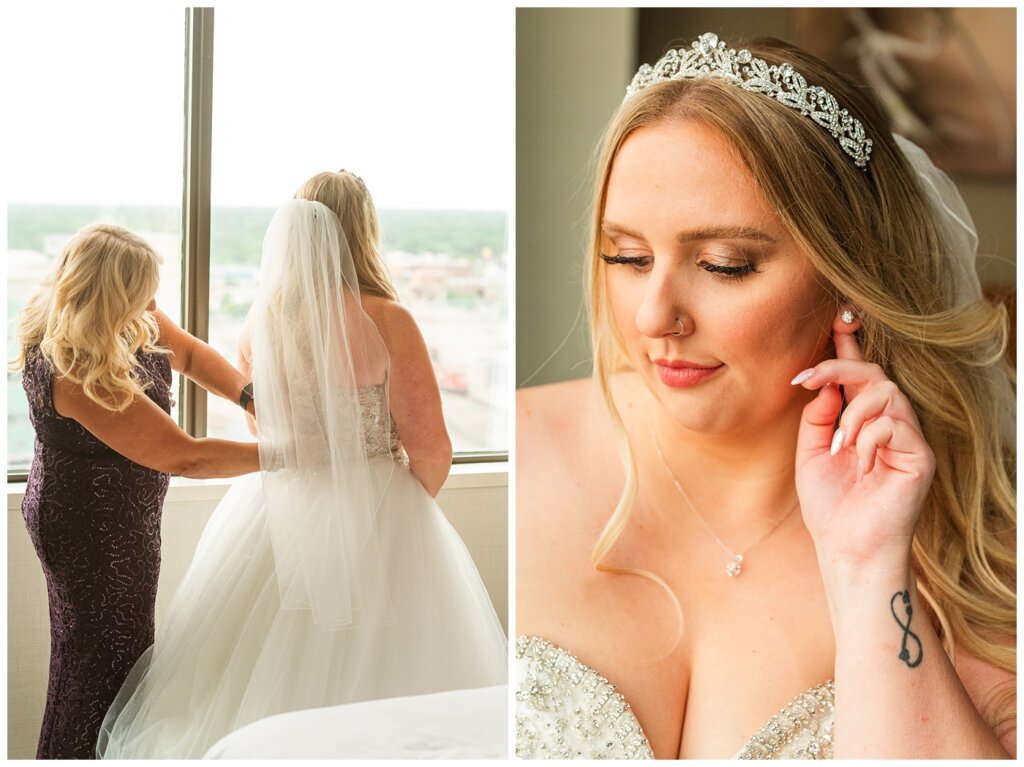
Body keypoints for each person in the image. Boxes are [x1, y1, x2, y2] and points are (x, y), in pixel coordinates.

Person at [516, 33, 1015, 759]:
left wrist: (869, 568)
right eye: (628, 256)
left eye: (724, 265)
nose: (656, 316)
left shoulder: (971, 545)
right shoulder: (526, 448)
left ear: (846, 279)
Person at [97, 179, 506, 758]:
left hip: (276, 512)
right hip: (381, 507)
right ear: (361, 231)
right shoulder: (389, 321)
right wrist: (398, 514)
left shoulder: (260, 322)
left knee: (245, 676)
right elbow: (433, 448)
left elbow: (262, 428)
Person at [13, 224, 261, 759]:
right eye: (142, 292)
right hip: (92, 531)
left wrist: (252, 398)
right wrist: (291, 455)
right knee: (103, 669)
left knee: (101, 662)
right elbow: (185, 456)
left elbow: (190, 355)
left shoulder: (117, 316)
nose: (152, 303)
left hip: (119, 518)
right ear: (108, 294)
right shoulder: (74, 367)